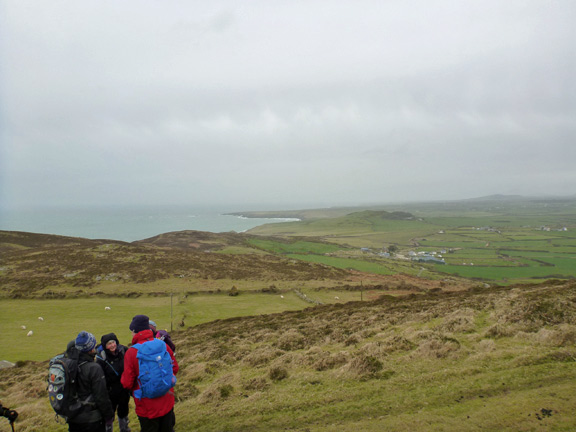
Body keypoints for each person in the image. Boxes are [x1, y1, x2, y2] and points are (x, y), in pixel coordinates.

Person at [121, 315, 179, 432]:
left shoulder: (132, 352)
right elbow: (175, 368)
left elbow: (127, 383)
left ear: (135, 331)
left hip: (146, 406)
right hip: (167, 399)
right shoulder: (163, 345)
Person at [67, 331, 114, 432]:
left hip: (73, 416)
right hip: (91, 418)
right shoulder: (94, 368)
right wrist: (109, 416)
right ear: (90, 348)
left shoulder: (69, 365)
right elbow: (101, 396)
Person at [96, 333, 131, 432]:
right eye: (109, 344)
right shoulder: (101, 358)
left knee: (123, 411)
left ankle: (124, 429)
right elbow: (100, 377)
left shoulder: (123, 350)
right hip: (109, 392)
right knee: (109, 415)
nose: (112, 345)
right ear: (105, 346)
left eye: (113, 342)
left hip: (124, 389)